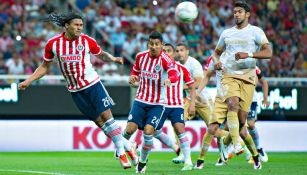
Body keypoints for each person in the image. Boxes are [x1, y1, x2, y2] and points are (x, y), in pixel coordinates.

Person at [18, 12, 138, 169]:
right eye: (76, 25)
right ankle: (129, 146)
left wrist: (113, 59)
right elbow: (45, 66)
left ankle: (121, 154)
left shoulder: (87, 41)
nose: (79, 28)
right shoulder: (53, 44)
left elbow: (101, 55)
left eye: (81, 25)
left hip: (92, 83)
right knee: (101, 123)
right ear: (67, 26)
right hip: (75, 90)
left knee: (108, 117)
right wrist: (28, 81)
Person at [211, 0, 272, 169]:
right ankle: (236, 144)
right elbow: (216, 53)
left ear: (247, 14)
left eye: (239, 12)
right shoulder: (226, 33)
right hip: (229, 75)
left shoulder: (256, 32)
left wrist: (249, 54)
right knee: (232, 103)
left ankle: (255, 156)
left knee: (242, 120)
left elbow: (268, 52)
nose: (236, 14)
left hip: (249, 78)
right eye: (235, 12)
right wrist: (216, 62)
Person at [125, 31, 180, 173]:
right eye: (151, 44)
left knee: (149, 131)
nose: (153, 47)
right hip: (140, 100)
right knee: (129, 129)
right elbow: (135, 72)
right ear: (148, 44)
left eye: (157, 44)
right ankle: (121, 148)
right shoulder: (140, 57)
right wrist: (132, 77)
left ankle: (142, 162)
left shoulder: (166, 59)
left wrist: (170, 79)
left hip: (157, 103)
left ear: (162, 45)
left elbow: (174, 73)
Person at [172, 43, 214, 166]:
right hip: (189, 99)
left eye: (181, 50)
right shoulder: (177, 65)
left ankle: (232, 143)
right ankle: (182, 154)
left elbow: (198, 82)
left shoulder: (194, 63)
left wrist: (179, 86)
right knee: (177, 124)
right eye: (177, 50)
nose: (179, 53)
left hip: (203, 99)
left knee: (214, 129)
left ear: (188, 52)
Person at [247, 66, 269, 163]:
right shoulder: (235, 65)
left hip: (252, 100)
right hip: (238, 99)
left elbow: (263, 82)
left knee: (250, 125)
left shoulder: (254, 67)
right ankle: (249, 151)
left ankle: (258, 148)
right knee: (236, 126)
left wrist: (265, 98)